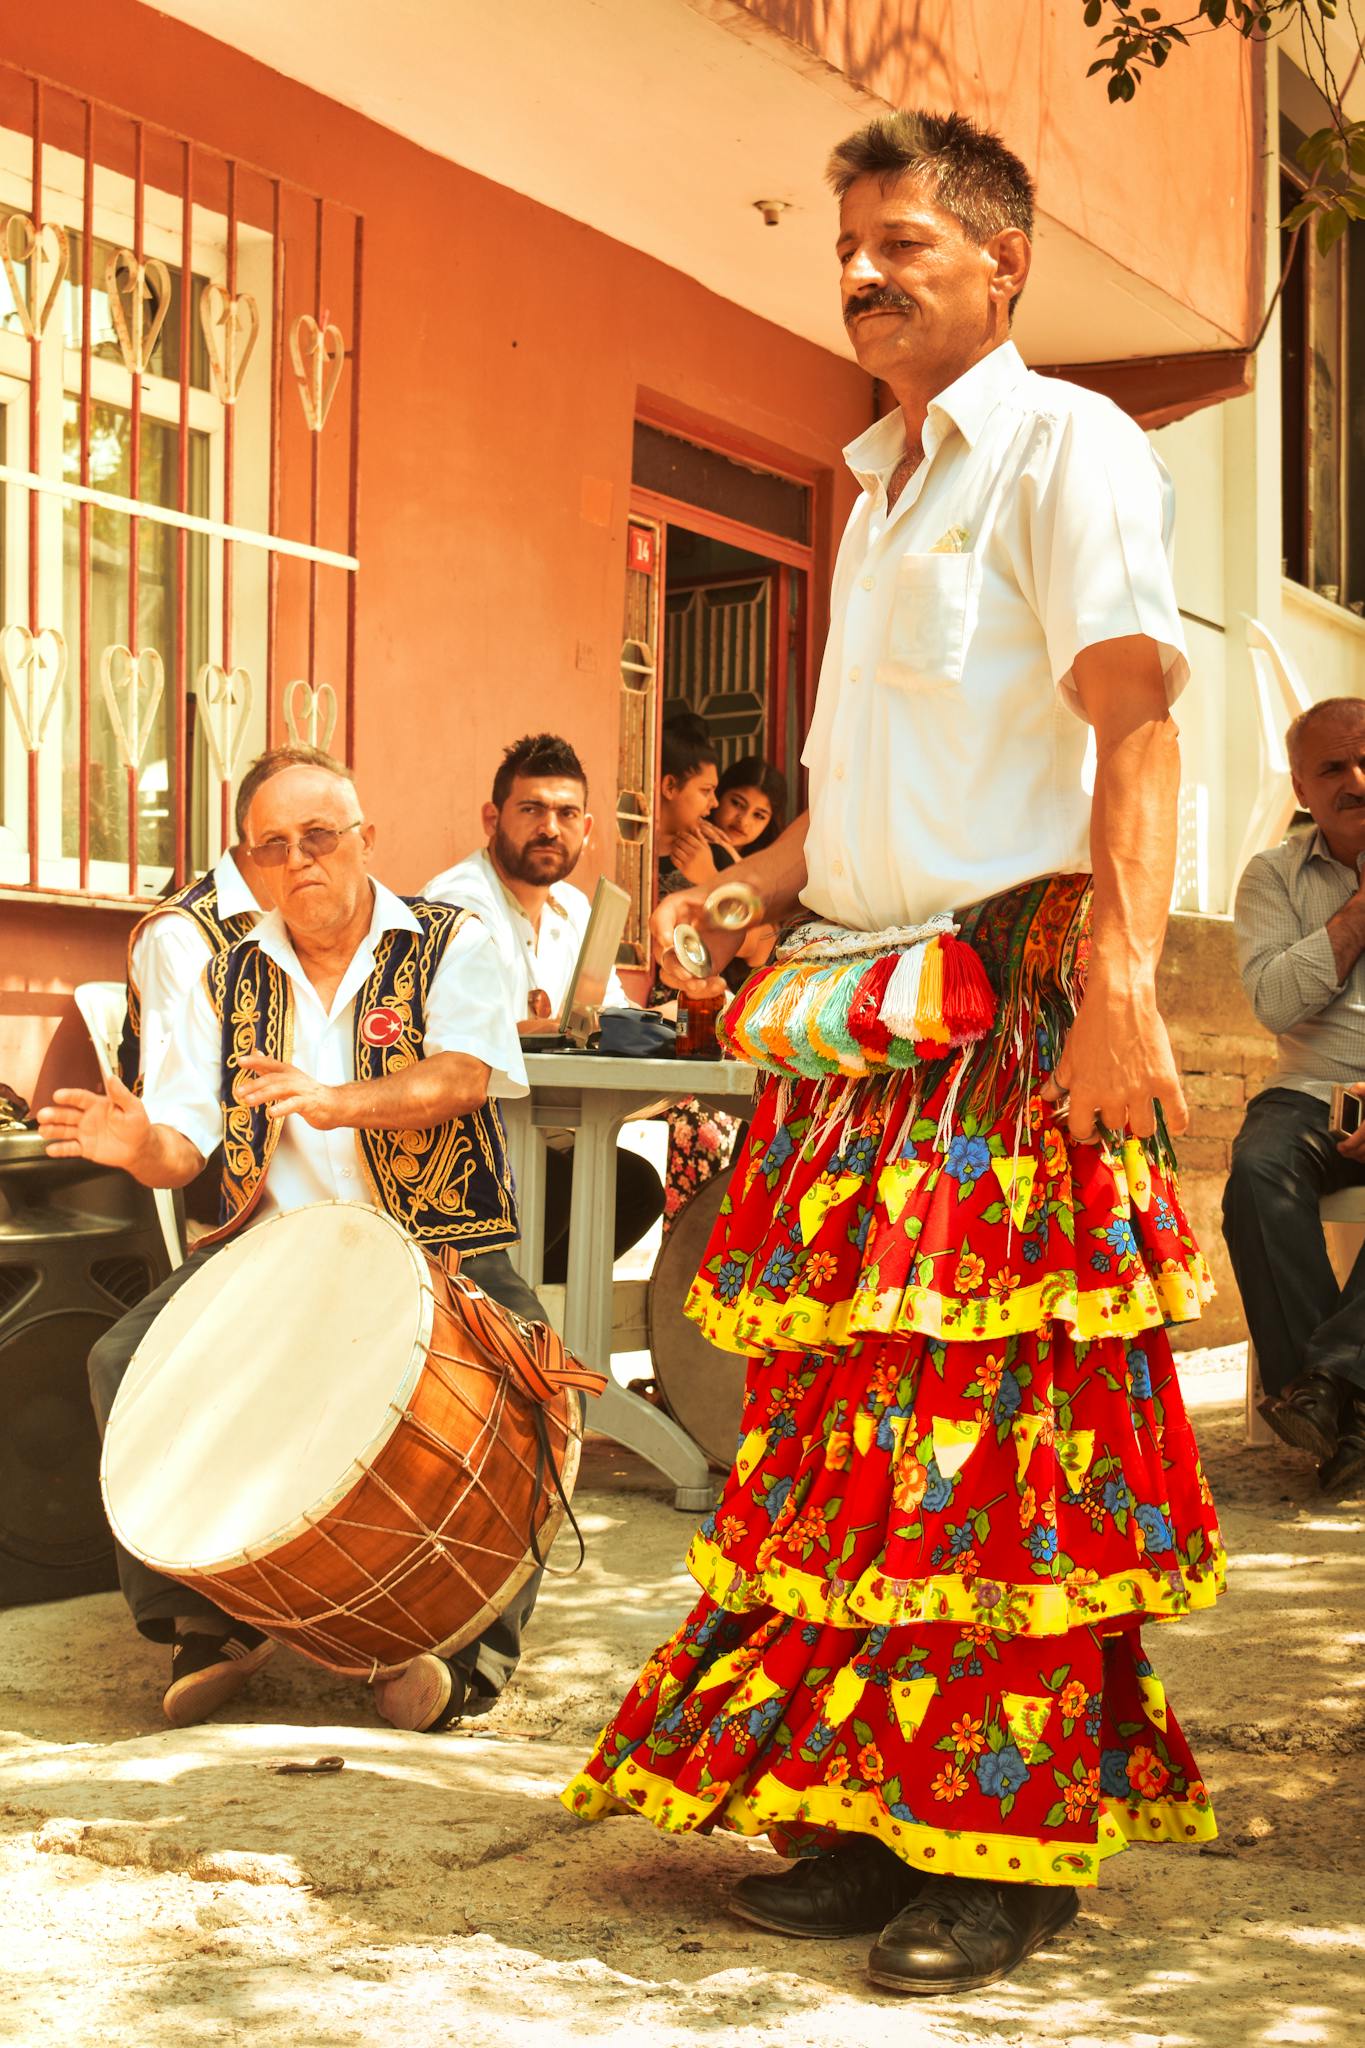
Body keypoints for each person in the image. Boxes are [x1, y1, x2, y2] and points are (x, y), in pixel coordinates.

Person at [562, 108, 1223, 1997]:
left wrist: (1118, 984)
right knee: (854, 1444)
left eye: (906, 241)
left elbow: (1134, 730)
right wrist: (754, 887)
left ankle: (1004, 1855)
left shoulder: (1065, 444)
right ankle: (868, 1812)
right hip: (860, 1024)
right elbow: (868, 791)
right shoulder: (874, 486)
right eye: (849, 244)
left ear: (1003, 268)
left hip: (1011, 1014)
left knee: (997, 1452)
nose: (861, 272)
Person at [40, 752, 543, 1736]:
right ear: (250, 862)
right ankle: (209, 1616)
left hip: (436, 1237)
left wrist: (334, 1099)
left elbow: (462, 1077)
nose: (301, 859)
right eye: (275, 845)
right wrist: (139, 1146)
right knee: (121, 1358)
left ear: (365, 835)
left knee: (522, 1365)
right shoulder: (220, 972)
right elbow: (184, 1139)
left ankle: (466, 1644)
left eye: (321, 835)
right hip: (270, 1250)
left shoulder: (454, 940)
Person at [424, 733, 664, 1280]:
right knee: (602, 1186)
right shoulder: (458, 902)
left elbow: (613, 1012)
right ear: (492, 818)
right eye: (531, 809)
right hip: (471, 1149)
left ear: (587, 826)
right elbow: (458, 1039)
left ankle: (536, 1332)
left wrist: (647, 1025)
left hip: (549, 1136)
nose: (549, 827)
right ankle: (512, 1324)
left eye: (566, 812)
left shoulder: (576, 908)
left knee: (632, 1186)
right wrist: (556, 1028)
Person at [1224, 695, 1365, 1495]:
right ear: (1300, 789)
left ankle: (1324, 1394)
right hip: (1308, 1090)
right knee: (1255, 1174)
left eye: (1363, 760)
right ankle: (1348, 1408)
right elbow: (1274, 1001)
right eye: (1331, 769)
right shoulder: (1271, 875)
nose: (1355, 780)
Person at [656, 710, 732, 892]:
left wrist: (710, 878)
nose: (715, 803)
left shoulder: (714, 857)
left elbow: (762, 921)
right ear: (670, 786)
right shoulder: (627, 848)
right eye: (706, 790)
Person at [712, 755, 787, 858]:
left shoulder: (774, 864)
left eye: (759, 815)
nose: (743, 821)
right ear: (719, 794)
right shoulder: (688, 845)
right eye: (737, 803)